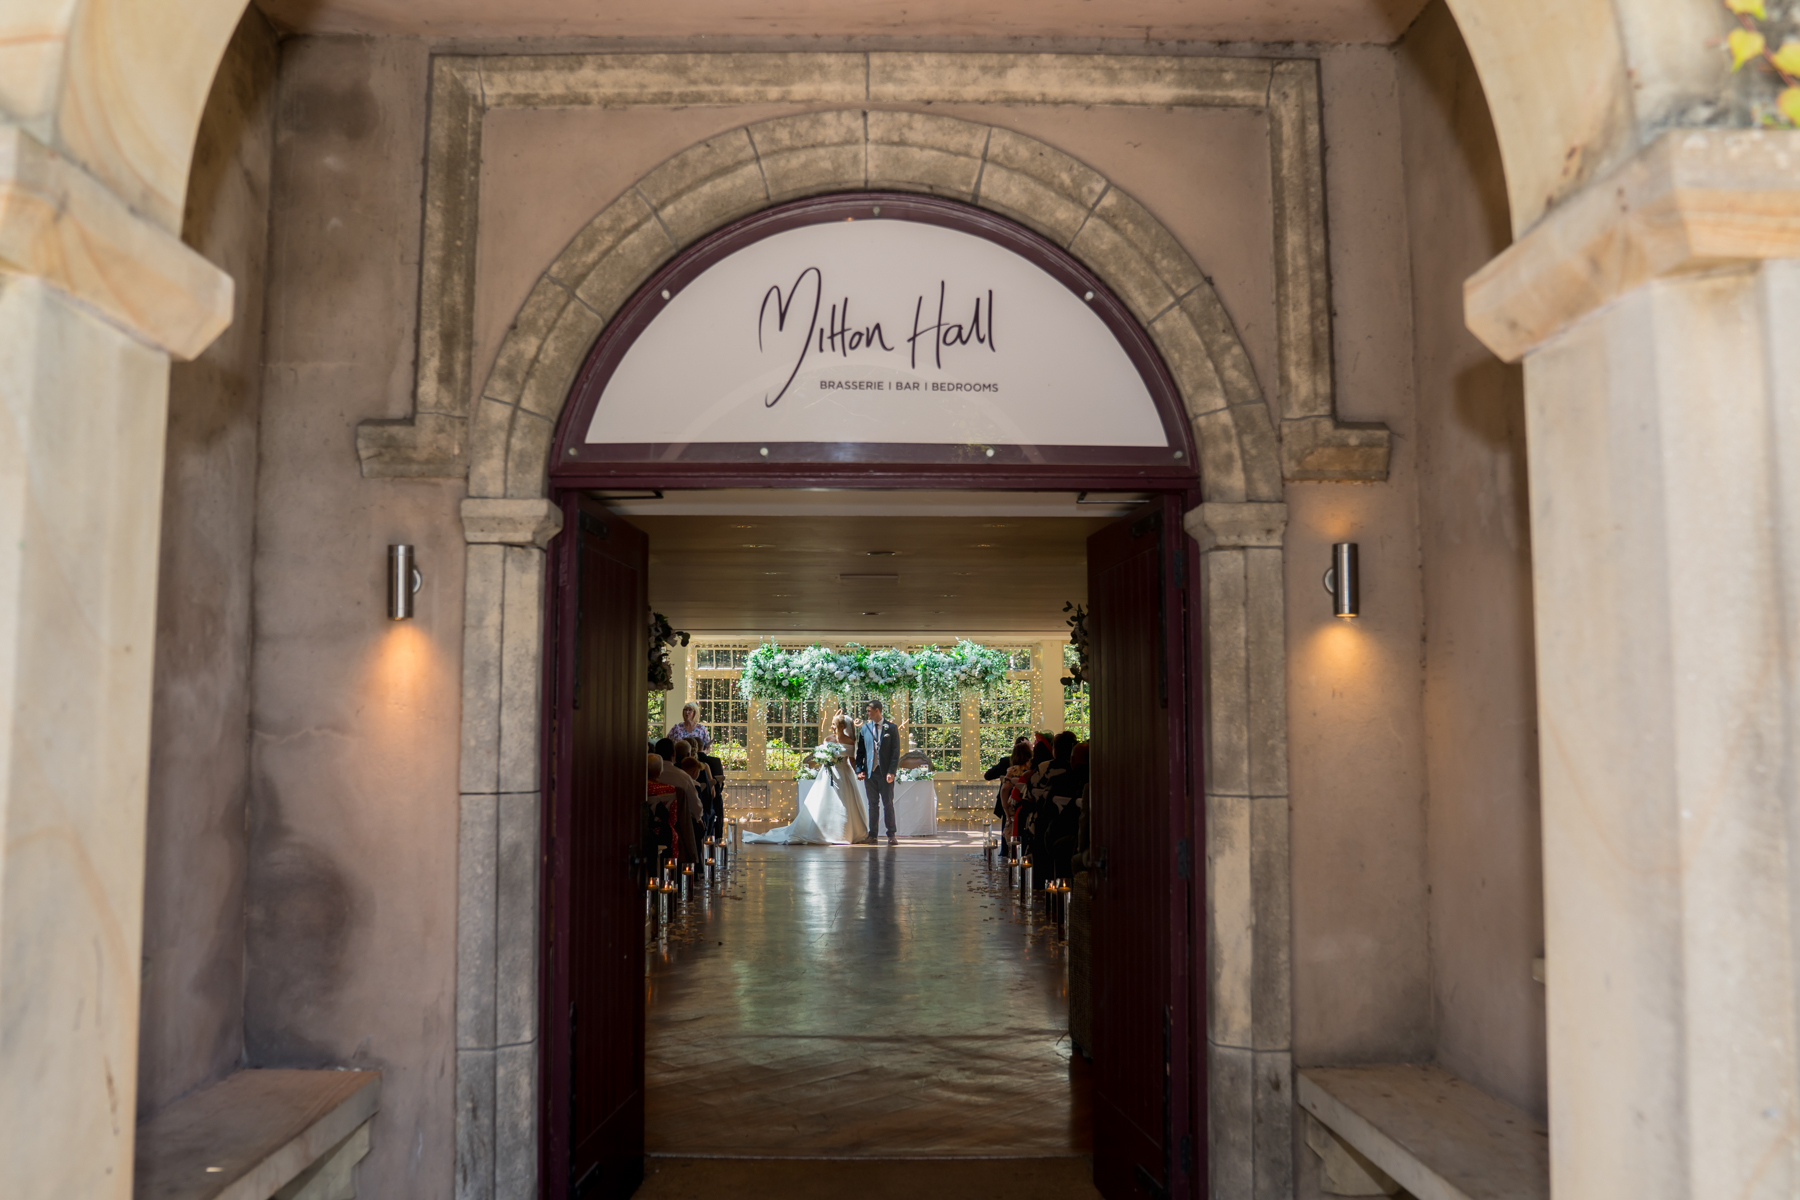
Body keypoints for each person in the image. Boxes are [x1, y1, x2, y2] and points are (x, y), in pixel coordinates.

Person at [745, 713, 870, 845]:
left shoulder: (850, 742)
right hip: (828, 774)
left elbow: (852, 760)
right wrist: (824, 759)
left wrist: (859, 771)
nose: (832, 727)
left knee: (845, 803)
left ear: (842, 726)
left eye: (834, 724)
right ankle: (822, 831)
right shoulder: (828, 739)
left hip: (843, 774)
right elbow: (819, 758)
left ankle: (845, 833)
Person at [855, 699, 901, 843]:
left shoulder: (891, 728)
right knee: (872, 804)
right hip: (870, 773)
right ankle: (873, 834)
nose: (867, 713)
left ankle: (891, 834)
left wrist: (891, 771)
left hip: (885, 772)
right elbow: (860, 752)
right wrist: (859, 770)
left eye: (869, 710)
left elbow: (895, 752)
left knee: (888, 804)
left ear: (877, 711)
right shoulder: (865, 728)